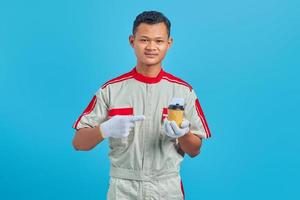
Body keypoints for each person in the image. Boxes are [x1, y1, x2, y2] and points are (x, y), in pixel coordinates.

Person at [72, 10, 211, 200]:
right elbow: (78, 143)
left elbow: (195, 150)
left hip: (166, 188)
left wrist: (184, 134)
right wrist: (105, 129)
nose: (151, 47)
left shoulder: (183, 92)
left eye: (159, 41)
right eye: (144, 40)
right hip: (123, 188)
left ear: (169, 44)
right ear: (132, 41)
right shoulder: (111, 90)